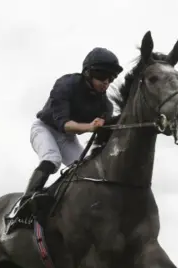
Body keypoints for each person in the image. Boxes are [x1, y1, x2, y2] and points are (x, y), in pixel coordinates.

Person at [10, 47, 124, 221]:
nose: (106, 82)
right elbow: (64, 125)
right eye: (101, 77)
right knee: (51, 158)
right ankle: (24, 204)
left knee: (85, 169)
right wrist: (90, 127)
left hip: (67, 138)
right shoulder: (66, 84)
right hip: (45, 128)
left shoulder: (105, 105)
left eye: (110, 78)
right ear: (88, 73)